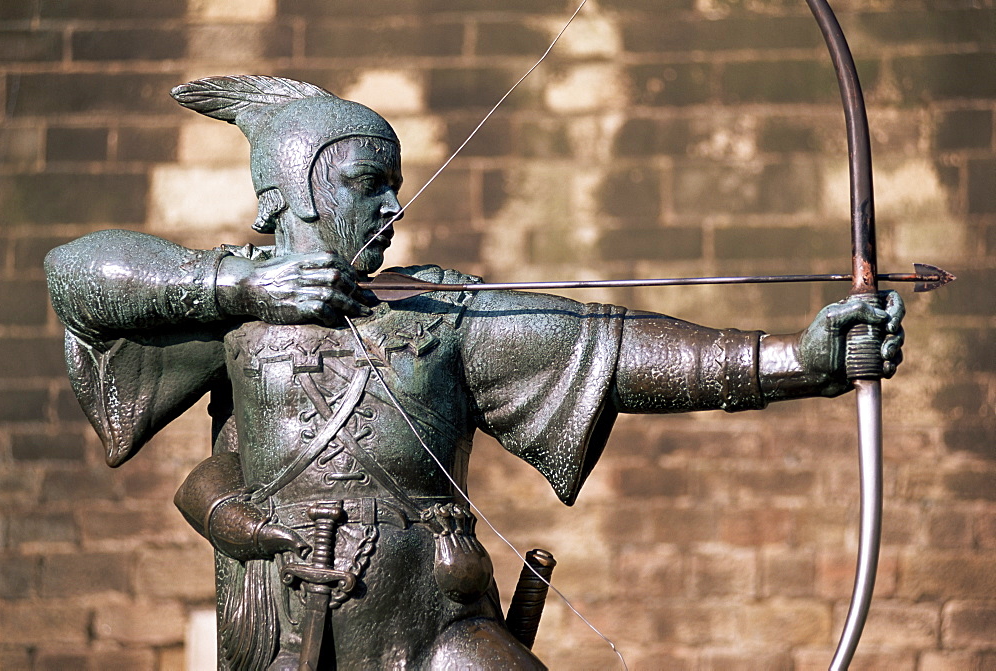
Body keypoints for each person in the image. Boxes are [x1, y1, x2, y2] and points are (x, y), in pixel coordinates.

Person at [45, 76, 903, 670]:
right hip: (287, 631)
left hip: (436, 630)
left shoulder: (441, 312)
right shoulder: (231, 307)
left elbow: (610, 349)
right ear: (297, 192)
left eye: (398, 185)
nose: (394, 206)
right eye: (367, 183)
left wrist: (799, 359)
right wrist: (240, 283)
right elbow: (74, 274)